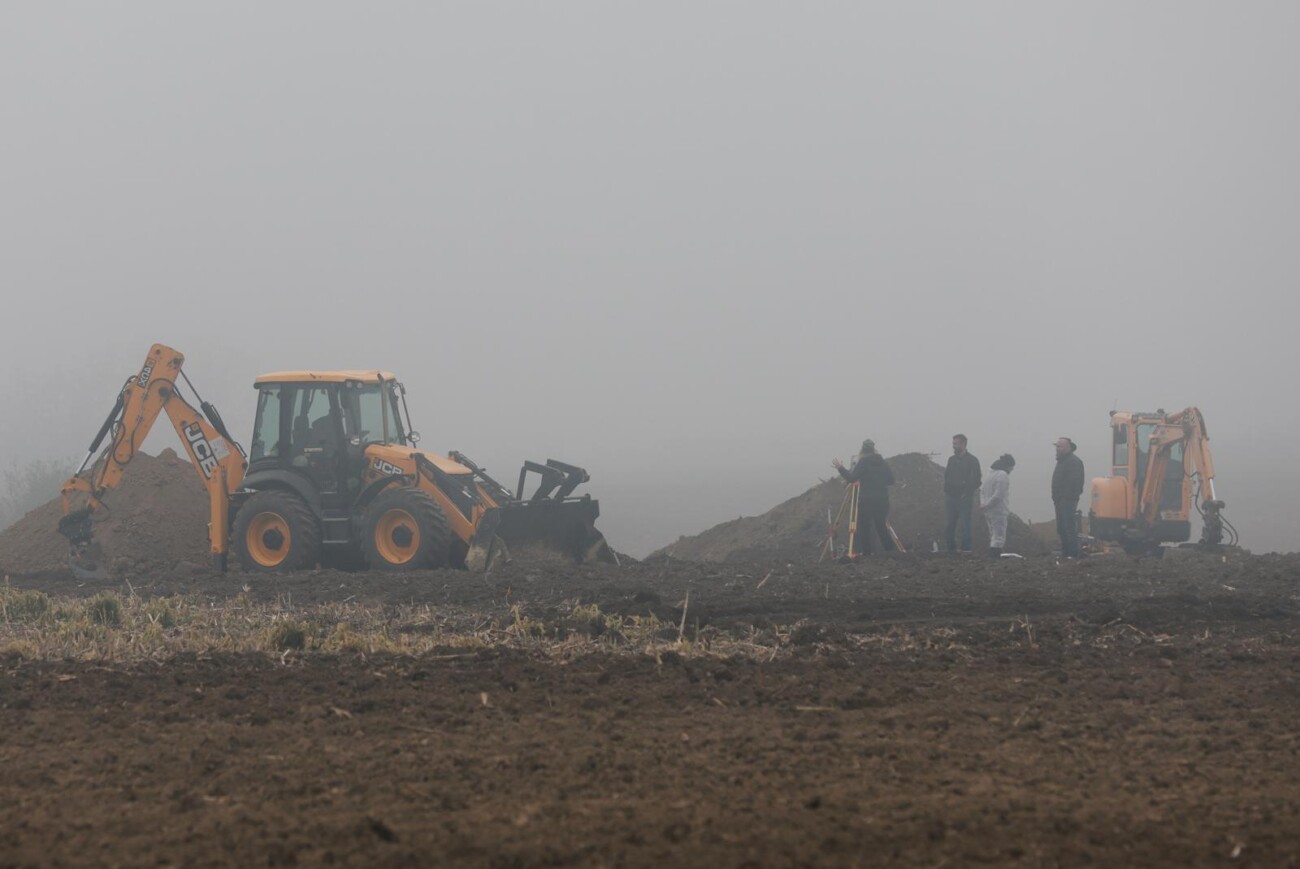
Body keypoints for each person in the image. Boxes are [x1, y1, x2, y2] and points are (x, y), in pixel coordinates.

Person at [832, 439, 897, 555]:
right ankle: (891, 552)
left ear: (862, 450)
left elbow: (852, 478)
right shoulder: (883, 462)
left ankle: (867, 554)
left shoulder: (863, 462)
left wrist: (840, 468)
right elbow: (891, 480)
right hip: (882, 500)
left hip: (866, 500)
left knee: (864, 527)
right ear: (874, 449)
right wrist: (879, 481)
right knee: (881, 526)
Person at [944, 434, 981, 552]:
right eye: (953, 443)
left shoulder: (972, 460)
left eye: (955, 443)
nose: (953, 446)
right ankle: (951, 549)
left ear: (963, 444)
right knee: (950, 525)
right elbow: (947, 476)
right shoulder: (951, 460)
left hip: (965, 498)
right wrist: (947, 491)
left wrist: (967, 492)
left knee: (965, 524)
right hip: (951, 497)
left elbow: (976, 479)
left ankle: (966, 550)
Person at [1052, 437, 1085, 558]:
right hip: (1060, 500)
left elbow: (1075, 483)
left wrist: (1065, 498)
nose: (1057, 449)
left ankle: (1072, 554)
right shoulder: (1062, 461)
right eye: (1056, 446)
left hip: (1067, 500)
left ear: (1068, 448)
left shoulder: (1073, 462)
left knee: (1068, 527)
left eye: (1059, 446)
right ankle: (1066, 553)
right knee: (1061, 527)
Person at [980, 453, 1015, 557]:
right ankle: (994, 557)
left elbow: (982, 491)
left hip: (988, 510)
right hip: (998, 510)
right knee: (999, 537)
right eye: (1011, 468)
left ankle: (993, 556)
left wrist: (984, 504)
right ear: (1008, 465)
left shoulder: (990, 474)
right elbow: (999, 495)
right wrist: (988, 505)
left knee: (993, 535)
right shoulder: (1003, 475)